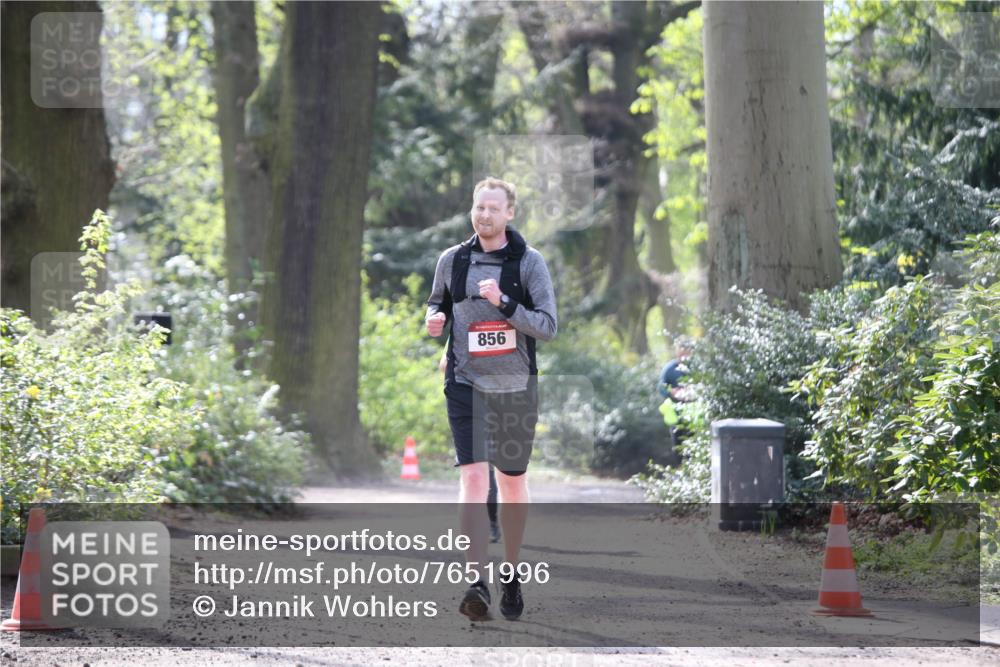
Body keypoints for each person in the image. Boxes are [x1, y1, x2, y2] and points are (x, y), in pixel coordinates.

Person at [425, 177, 557, 622]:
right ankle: (476, 582)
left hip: (516, 387)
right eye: (479, 207)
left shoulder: (528, 263)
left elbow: (548, 326)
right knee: (473, 483)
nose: (484, 215)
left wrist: (504, 304)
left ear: (509, 213)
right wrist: (435, 318)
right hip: (464, 384)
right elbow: (436, 303)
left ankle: (512, 574)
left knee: (513, 483)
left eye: (493, 208)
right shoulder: (453, 260)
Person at [440, 350, 502, 544]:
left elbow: (444, 365)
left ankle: (488, 524)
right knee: (477, 468)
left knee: (479, 468)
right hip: (469, 399)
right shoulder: (463, 322)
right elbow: (444, 364)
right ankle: (487, 525)